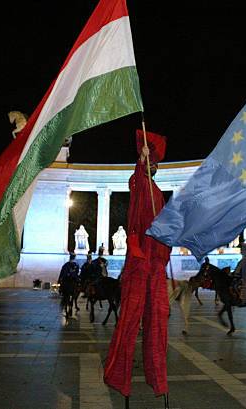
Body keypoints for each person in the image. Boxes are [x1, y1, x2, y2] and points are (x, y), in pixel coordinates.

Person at [104, 130, 171, 404]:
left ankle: (160, 381)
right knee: (129, 320)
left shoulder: (159, 194)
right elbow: (136, 182)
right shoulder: (140, 185)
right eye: (149, 164)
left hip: (155, 266)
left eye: (154, 166)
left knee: (158, 326)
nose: (151, 168)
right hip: (139, 264)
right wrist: (140, 160)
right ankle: (120, 378)